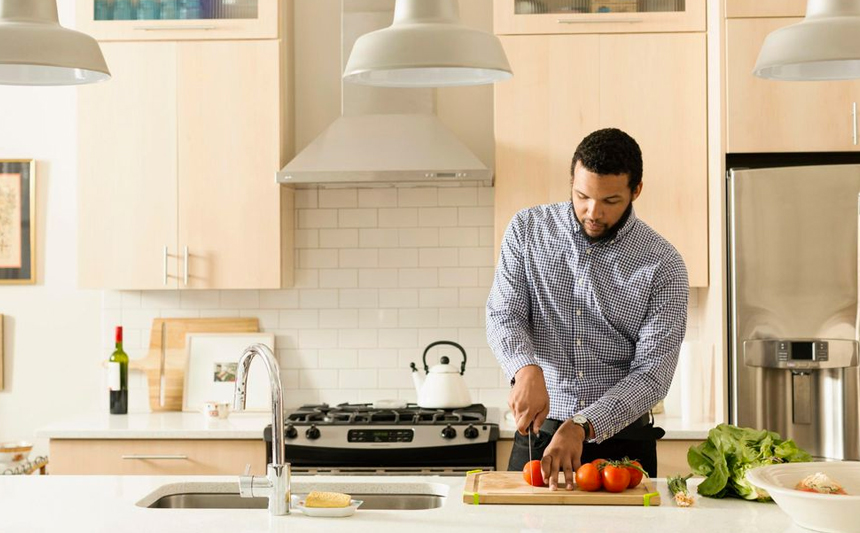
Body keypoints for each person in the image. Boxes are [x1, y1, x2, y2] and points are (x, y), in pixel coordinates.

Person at [486, 128, 688, 491]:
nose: (593, 212)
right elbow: (504, 314)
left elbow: (653, 374)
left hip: (622, 446)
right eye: (582, 196)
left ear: (635, 190)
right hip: (539, 436)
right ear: (572, 181)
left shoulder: (663, 264)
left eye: (610, 200)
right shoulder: (527, 230)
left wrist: (581, 424)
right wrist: (524, 367)